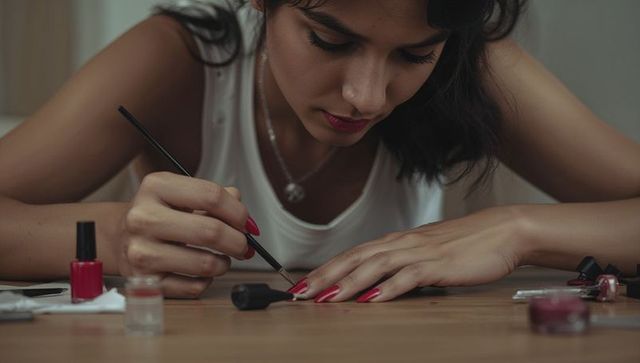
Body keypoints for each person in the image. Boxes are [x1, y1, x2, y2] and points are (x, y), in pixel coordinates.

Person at [0, 0, 638, 302]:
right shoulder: (178, 60)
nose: (365, 96)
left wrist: (517, 230)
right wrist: (112, 237)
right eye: (329, 39)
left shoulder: (477, 67)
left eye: (414, 55)